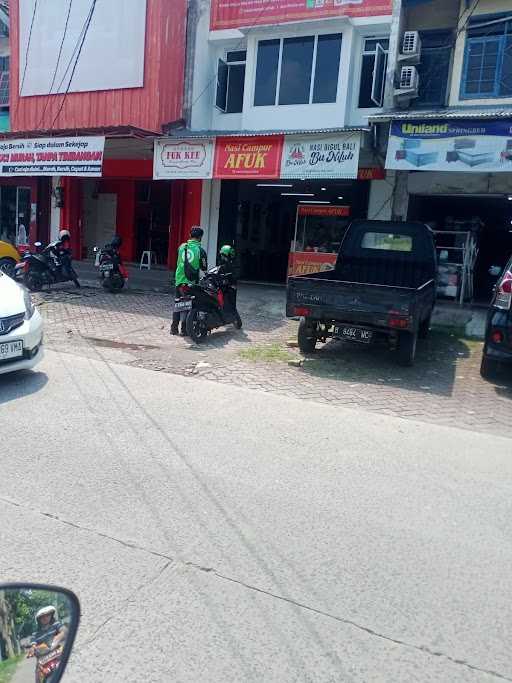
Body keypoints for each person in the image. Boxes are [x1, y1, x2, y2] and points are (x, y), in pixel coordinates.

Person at [171, 226, 207, 335]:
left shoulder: (181, 247)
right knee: (188, 305)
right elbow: (204, 267)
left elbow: (178, 261)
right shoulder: (200, 250)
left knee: (178, 303)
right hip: (191, 282)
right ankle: (184, 329)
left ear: (190, 235)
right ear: (200, 237)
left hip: (179, 279)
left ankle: (173, 328)